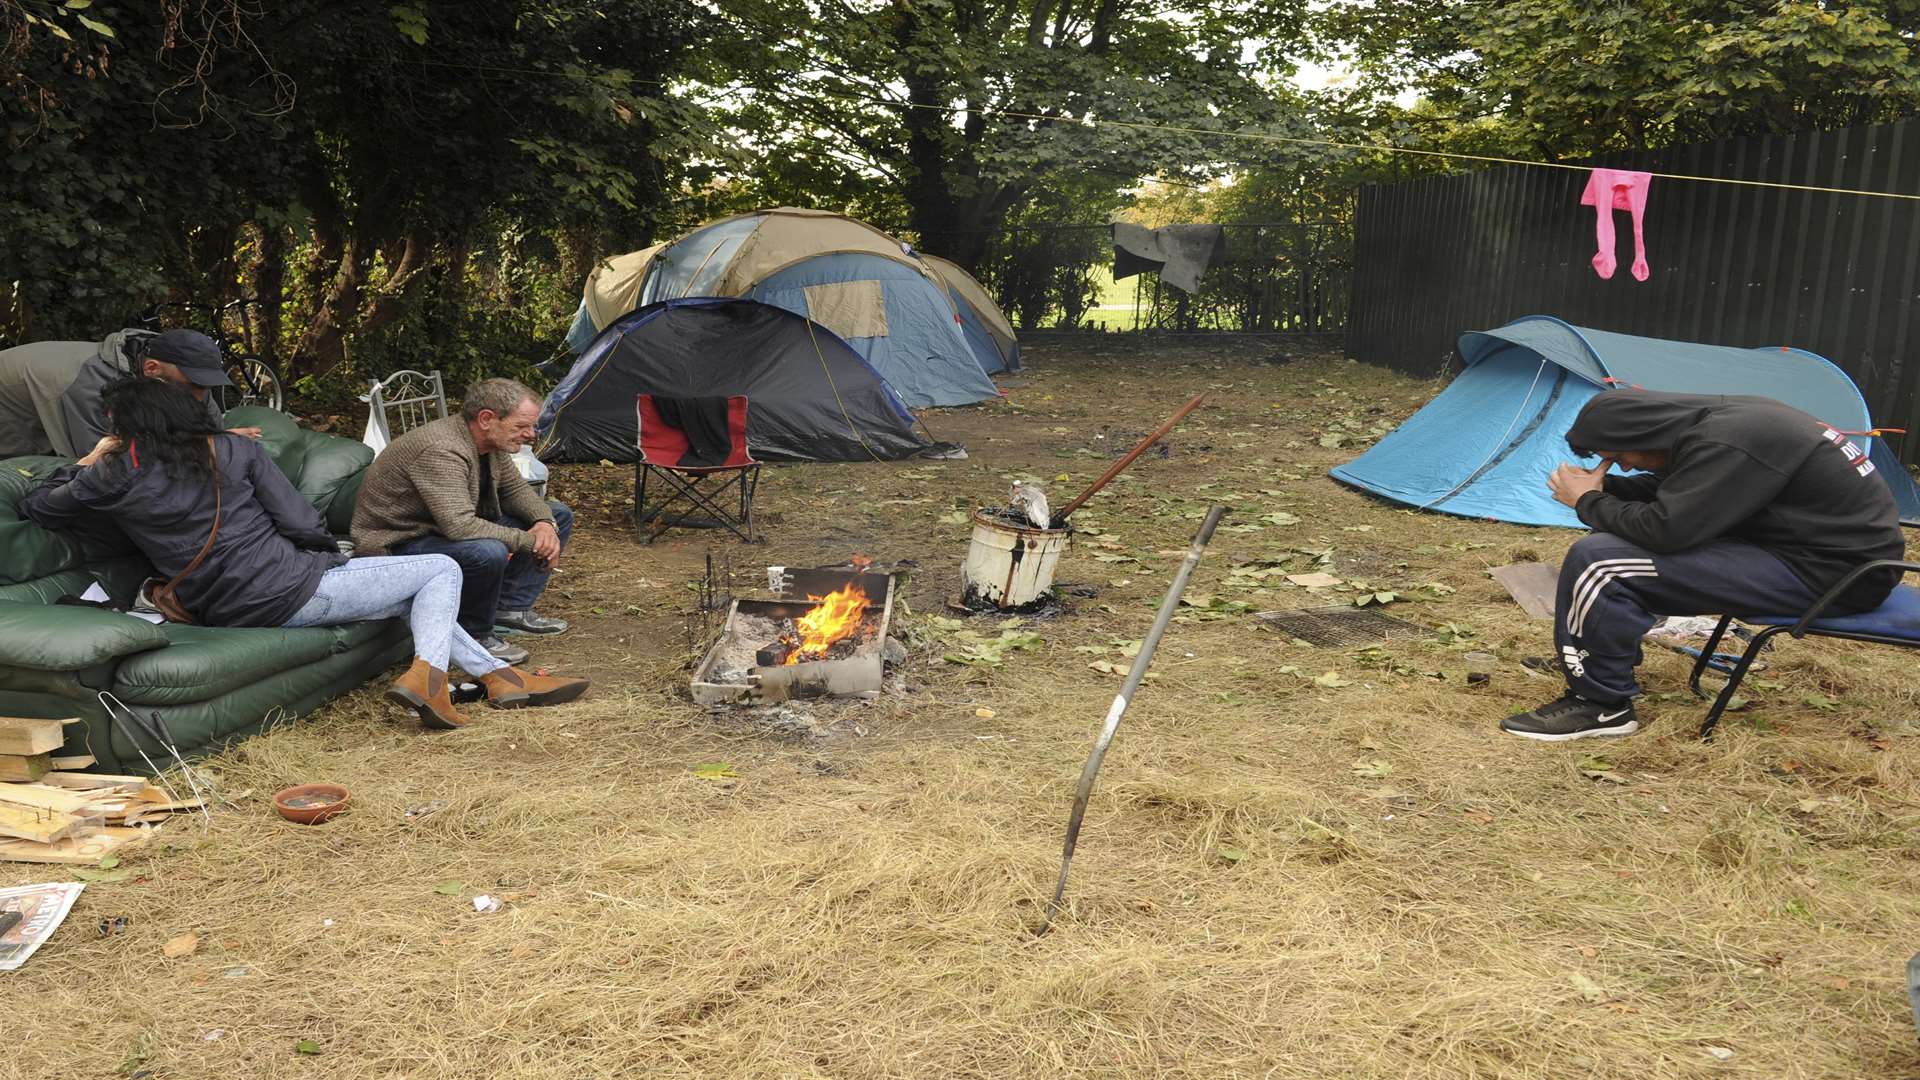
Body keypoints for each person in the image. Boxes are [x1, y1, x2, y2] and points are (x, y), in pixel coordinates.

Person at [21, 378, 588, 729]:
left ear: (127, 429)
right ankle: (433, 677)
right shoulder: (232, 452)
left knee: (403, 591)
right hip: (284, 589)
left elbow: (42, 508)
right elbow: (300, 521)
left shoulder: (114, 472)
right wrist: (325, 556)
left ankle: (499, 678)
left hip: (216, 603)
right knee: (439, 568)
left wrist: (92, 458)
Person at [1501, 389, 1904, 741]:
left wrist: (1588, 502)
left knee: (1601, 560)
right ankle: (1597, 659)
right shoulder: (1725, 425)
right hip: (1809, 552)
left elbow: (1667, 530)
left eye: (1619, 457)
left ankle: (1602, 705)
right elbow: (1685, 493)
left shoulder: (1732, 440)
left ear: (1644, 435)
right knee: (1614, 541)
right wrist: (1605, 489)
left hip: (1834, 576)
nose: (1623, 466)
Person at [350, 378, 573, 664]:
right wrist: (533, 542)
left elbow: (514, 490)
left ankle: (509, 609)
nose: (531, 435)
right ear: (486, 419)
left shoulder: (488, 445)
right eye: (521, 427)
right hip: (397, 542)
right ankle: (474, 635)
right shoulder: (441, 449)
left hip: (439, 530)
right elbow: (461, 526)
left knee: (559, 515)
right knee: (487, 550)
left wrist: (544, 523)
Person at [0, 328, 261, 459]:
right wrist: (200, 444)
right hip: (14, 419)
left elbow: (207, 422)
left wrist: (218, 438)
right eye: (191, 387)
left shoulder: (181, 367)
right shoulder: (93, 388)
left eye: (204, 386)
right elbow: (103, 460)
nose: (198, 397)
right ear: (150, 369)